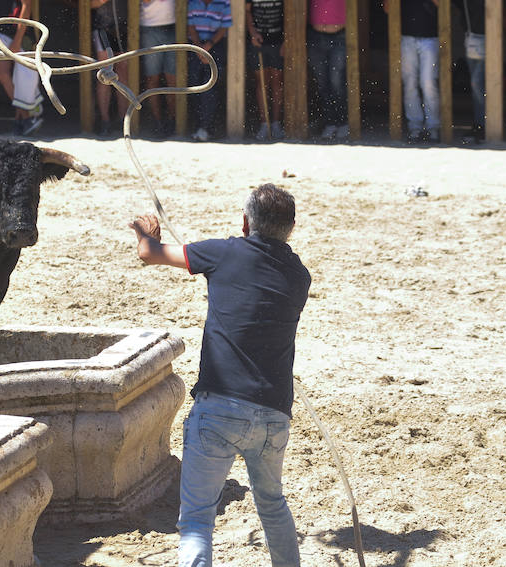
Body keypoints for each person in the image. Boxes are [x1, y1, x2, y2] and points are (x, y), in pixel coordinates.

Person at [128, 183, 310, 567]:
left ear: (246, 222)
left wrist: (146, 232)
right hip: (274, 413)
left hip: (219, 409)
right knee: (273, 504)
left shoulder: (225, 252)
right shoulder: (299, 275)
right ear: (291, 227)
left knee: (196, 520)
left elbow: (149, 254)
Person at [385, 0, 439, 143]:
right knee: (410, 83)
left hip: (431, 37)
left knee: (428, 82)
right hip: (406, 37)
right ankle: (415, 127)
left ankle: (433, 127)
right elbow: (387, 8)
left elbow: (443, 5)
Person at [0, 0, 44, 136]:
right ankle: (26, 116)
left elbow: (27, 6)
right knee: (2, 74)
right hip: (1, 31)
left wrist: (18, 39)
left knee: (25, 76)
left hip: (22, 32)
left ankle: (20, 119)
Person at [187, 0, 232, 141]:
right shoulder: (193, 2)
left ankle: (207, 127)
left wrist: (208, 46)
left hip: (216, 46)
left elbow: (224, 28)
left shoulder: (224, 2)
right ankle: (198, 125)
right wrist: (199, 48)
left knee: (210, 88)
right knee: (194, 86)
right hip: (196, 46)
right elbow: (191, 27)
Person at [307, 0, 348, 142]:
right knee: (322, 82)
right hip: (315, 35)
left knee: (336, 81)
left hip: (338, 35)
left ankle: (342, 122)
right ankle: (330, 123)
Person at [247, 0, 285, 141]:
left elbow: (290, 11)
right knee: (261, 83)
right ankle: (264, 124)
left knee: (277, 82)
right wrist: (252, 33)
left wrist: (286, 39)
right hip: (258, 40)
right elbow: (247, 11)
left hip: (278, 40)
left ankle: (276, 124)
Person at [91, 0, 129, 137]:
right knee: (105, 74)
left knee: (123, 74)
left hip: (124, 26)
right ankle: (104, 120)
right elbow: (90, 4)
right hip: (103, 27)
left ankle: (124, 119)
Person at [140, 0, 177, 139]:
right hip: (149, 26)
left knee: (171, 78)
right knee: (152, 78)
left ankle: (172, 119)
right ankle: (158, 121)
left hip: (173, 25)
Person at [453, 0, 485, 143]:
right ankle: (481, 125)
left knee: (477, 83)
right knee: (477, 84)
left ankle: (484, 125)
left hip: (491, 37)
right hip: (472, 38)